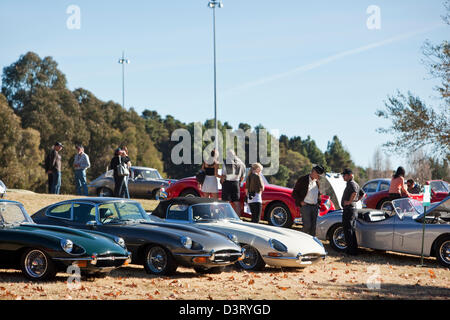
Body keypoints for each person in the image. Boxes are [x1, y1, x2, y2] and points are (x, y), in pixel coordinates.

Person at [291, 165, 325, 236]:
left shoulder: (317, 182)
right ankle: (301, 239)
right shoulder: (303, 179)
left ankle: (311, 244)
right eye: (318, 174)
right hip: (306, 206)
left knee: (313, 228)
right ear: (313, 172)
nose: (319, 176)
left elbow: (318, 194)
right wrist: (300, 201)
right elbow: (294, 193)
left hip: (315, 207)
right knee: (307, 226)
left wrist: (318, 204)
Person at [341, 168, 365, 256]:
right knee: (351, 230)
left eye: (345, 175)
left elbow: (355, 192)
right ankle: (353, 250)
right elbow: (362, 194)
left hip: (349, 209)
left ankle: (350, 251)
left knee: (348, 230)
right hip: (352, 209)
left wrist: (350, 202)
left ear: (350, 175)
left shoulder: (351, 183)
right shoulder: (354, 183)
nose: (343, 176)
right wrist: (355, 201)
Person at [221, 149, 246, 216]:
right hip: (236, 183)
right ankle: (237, 217)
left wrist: (222, 182)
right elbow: (243, 176)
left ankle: (225, 216)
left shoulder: (226, 162)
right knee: (236, 202)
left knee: (225, 202)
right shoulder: (241, 162)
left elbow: (223, 175)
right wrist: (239, 182)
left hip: (227, 182)